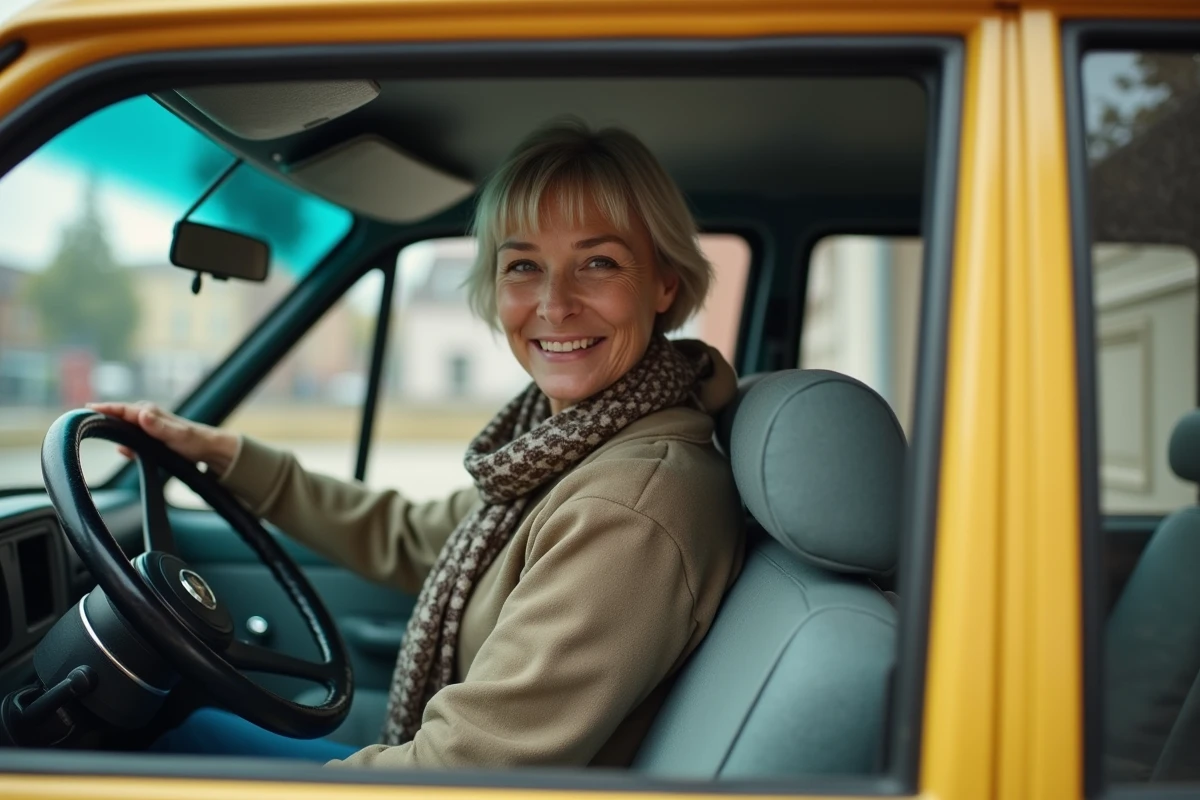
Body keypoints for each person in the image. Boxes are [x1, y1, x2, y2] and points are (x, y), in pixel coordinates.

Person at [90, 118, 745, 769]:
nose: (553, 302)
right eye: (522, 265)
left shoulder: (629, 505)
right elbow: (411, 536)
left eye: (598, 262)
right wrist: (225, 457)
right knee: (196, 731)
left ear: (663, 282)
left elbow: (460, 771)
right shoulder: (572, 444)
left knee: (169, 754)